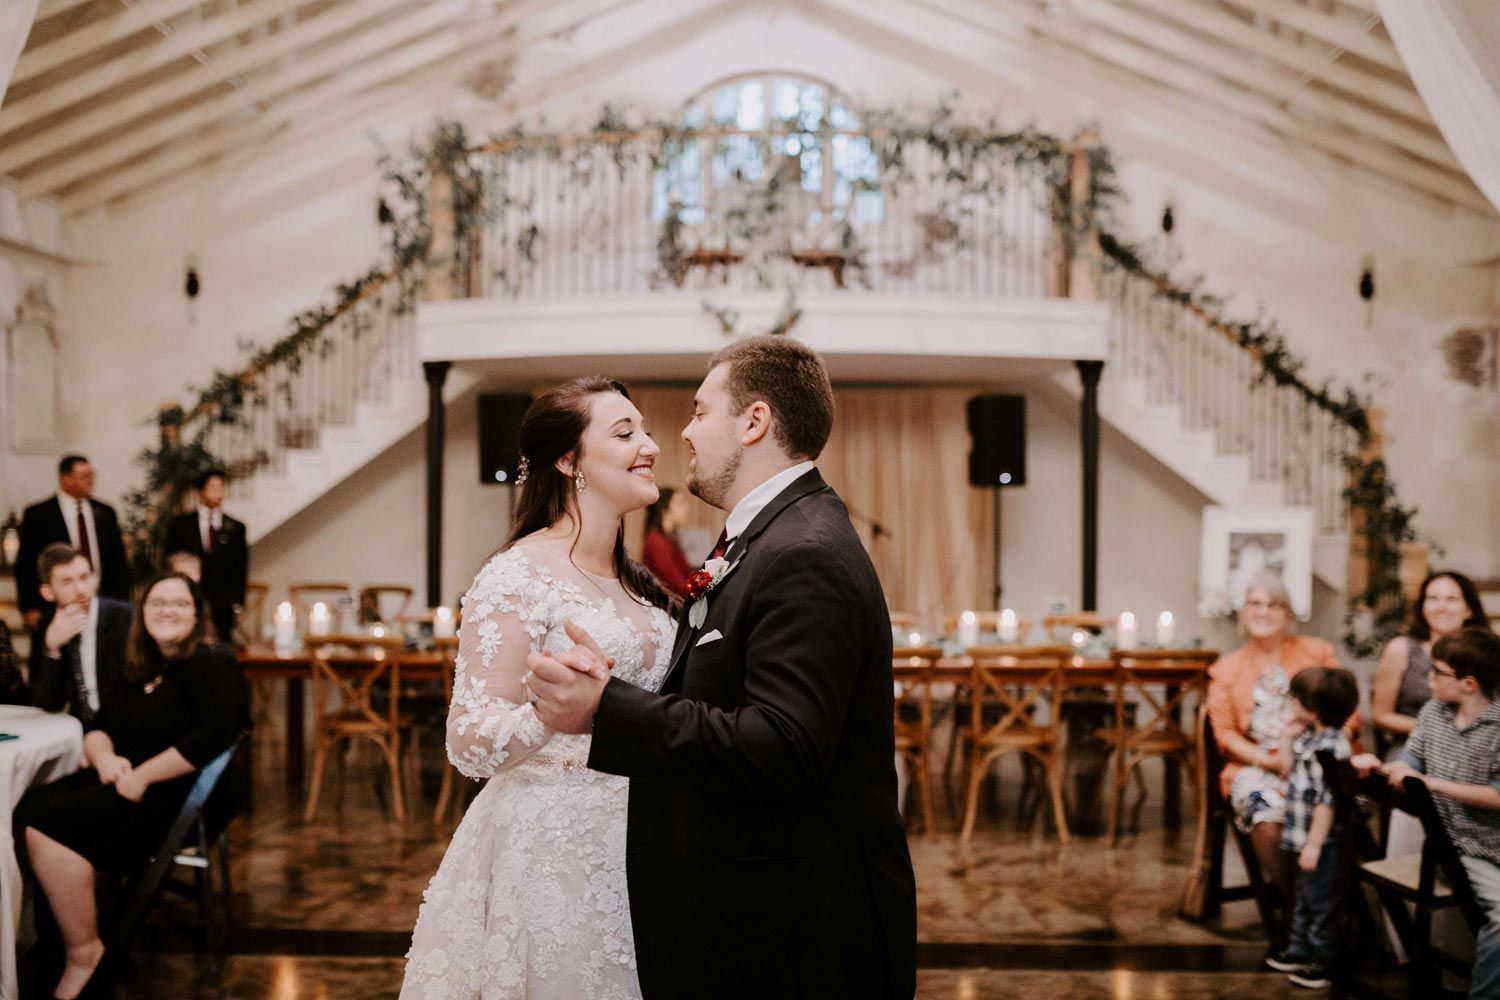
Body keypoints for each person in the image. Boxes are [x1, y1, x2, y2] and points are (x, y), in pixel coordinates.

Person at [528, 336, 918, 999]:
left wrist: (607, 707)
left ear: (754, 421)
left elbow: (785, 746)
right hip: (761, 915)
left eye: (700, 411)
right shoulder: (771, 536)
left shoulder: (805, 552)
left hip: (804, 934)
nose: (682, 432)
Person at [402, 377, 678, 999]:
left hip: (643, 845)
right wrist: (551, 714)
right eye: (625, 432)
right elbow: (468, 743)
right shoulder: (517, 576)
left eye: (647, 430)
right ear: (568, 460)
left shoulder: (639, 583)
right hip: (551, 855)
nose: (652, 445)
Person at [16, 572, 248, 1000]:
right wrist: (104, 758)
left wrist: (141, 776)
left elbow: (215, 734)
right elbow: (99, 725)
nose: (167, 611)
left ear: (197, 614)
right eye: (157, 603)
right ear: (143, 614)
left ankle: (87, 955)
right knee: (28, 808)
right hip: (126, 779)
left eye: (180, 603)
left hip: (175, 795)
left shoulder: (210, 661)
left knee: (47, 824)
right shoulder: (142, 664)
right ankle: (57, 944)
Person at [1355, 628, 1500, 999]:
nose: (1427, 679)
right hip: (1458, 846)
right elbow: (1411, 759)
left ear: (1468, 684)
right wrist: (1380, 767)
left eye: (1437, 672)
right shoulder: (1434, 712)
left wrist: (1432, 783)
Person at [1207, 573, 1351, 904]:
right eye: (1254, 604)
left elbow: (1349, 711)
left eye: (1274, 604)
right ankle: (1299, 908)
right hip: (1260, 764)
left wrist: (1325, 748)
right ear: (1242, 613)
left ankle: (1330, 909)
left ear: (1289, 614)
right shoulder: (1225, 670)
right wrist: (1268, 760)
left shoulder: (1317, 653)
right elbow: (1225, 735)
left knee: (1336, 810)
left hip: (1321, 760)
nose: (1263, 612)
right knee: (1265, 814)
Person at [1264, 666, 1359, 989]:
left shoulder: (1332, 749)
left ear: (1313, 710)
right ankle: (1299, 949)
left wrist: (1315, 844)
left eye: (1296, 701)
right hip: (1301, 833)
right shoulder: (1309, 739)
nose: (1292, 706)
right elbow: (1285, 771)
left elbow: (1327, 801)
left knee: (1321, 902)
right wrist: (1286, 738)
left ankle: (1324, 959)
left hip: (1323, 842)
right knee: (1303, 897)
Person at [1371, 570, 1491, 761]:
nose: (1440, 607)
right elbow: (1381, 715)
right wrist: (1437, 732)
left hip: (1473, 748)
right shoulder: (1400, 648)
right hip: (1410, 745)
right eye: (1433, 598)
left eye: (1451, 599)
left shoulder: (1485, 654)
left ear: (1469, 609)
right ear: (1422, 607)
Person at [15, 456, 130, 633]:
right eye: (84, 476)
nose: (91, 480)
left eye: (92, 475)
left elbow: (118, 563)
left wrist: (122, 602)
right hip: (53, 606)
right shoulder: (38, 514)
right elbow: (25, 564)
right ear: (65, 478)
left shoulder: (106, 512)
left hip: (101, 601)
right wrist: (29, 607)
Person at [28, 543, 132, 725]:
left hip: (125, 729)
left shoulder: (125, 616)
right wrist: (52, 649)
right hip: (78, 729)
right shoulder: (47, 623)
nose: (81, 589)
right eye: (67, 582)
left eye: (84, 577)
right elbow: (49, 703)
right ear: (48, 592)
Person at [163, 469, 248, 644]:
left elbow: (241, 566)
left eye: (221, 487)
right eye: (213, 487)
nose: (218, 492)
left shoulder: (235, 527)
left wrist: (237, 600)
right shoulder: (181, 525)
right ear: (200, 491)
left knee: (221, 646)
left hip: (222, 603)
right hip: (190, 597)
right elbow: (169, 560)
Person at [640, 487, 694, 597]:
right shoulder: (657, 542)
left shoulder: (667, 540)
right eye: (681, 503)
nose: (687, 508)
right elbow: (677, 585)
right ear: (665, 510)